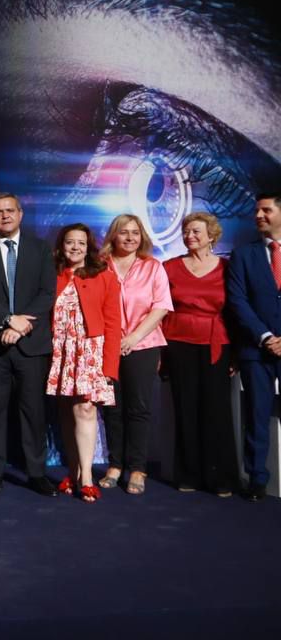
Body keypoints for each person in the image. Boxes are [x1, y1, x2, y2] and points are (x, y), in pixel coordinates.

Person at [0, 193, 59, 497]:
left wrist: (20, 327)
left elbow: (46, 293)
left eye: (9, 211)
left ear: (20, 214)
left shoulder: (41, 250)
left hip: (30, 344)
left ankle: (36, 472)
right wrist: (7, 319)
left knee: (33, 412)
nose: (4, 216)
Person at [162, 213, 236, 497]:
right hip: (178, 341)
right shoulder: (169, 267)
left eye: (196, 231)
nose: (190, 235)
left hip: (217, 341)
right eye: (186, 231)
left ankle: (220, 477)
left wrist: (236, 355)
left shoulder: (228, 267)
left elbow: (234, 310)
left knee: (217, 410)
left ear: (211, 235)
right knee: (185, 407)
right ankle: (188, 474)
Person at [47, 224, 121, 503]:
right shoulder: (52, 273)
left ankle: (87, 478)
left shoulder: (104, 275)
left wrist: (110, 366)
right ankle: (74, 471)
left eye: (80, 243)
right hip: (60, 349)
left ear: (88, 246)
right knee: (67, 411)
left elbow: (114, 322)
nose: (75, 247)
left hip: (91, 350)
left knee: (86, 409)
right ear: (61, 245)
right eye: (69, 242)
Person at [99, 215, 172, 495]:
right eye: (123, 233)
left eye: (135, 233)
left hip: (143, 344)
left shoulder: (153, 267)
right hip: (107, 346)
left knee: (138, 408)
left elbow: (161, 307)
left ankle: (137, 469)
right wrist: (114, 340)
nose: (130, 238)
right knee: (112, 409)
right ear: (113, 236)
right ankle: (115, 465)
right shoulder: (99, 266)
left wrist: (132, 338)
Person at [225, 192, 281, 503]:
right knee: (256, 415)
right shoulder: (243, 255)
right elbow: (238, 301)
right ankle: (257, 479)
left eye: (266, 210)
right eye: (256, 211)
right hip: (255, 349)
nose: (259, 216)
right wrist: (266, 337)